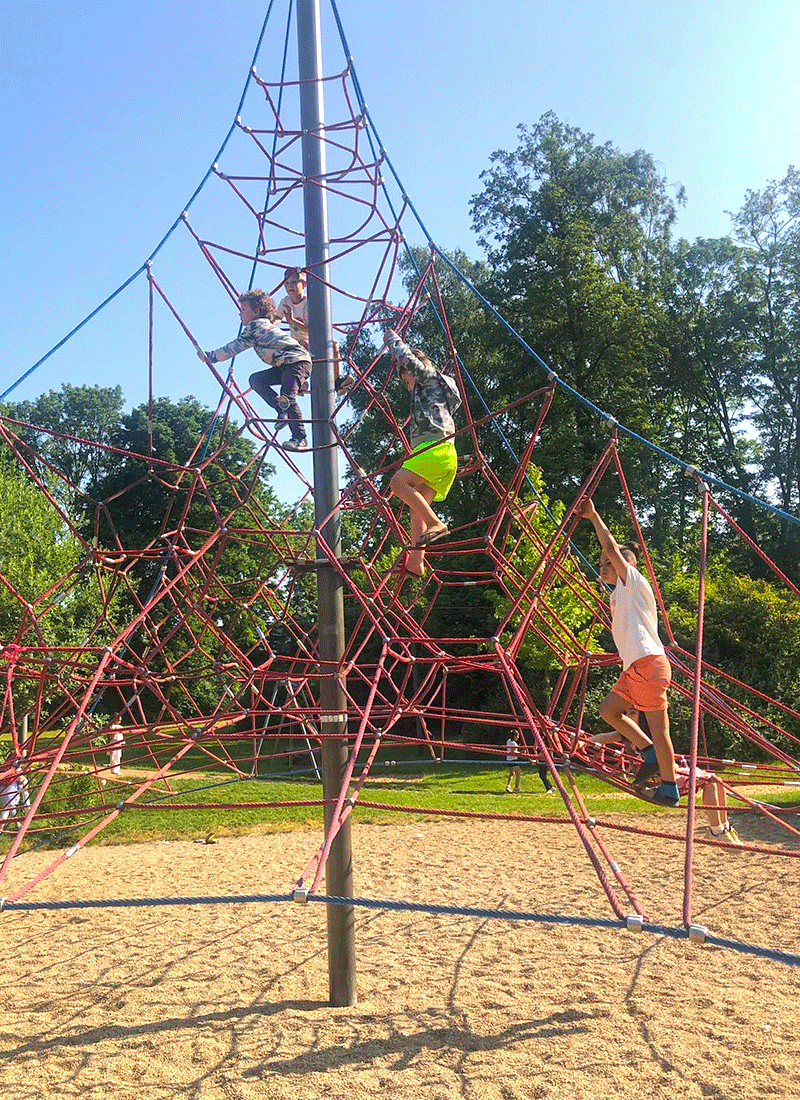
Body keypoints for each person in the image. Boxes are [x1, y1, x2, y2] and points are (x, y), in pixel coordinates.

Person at [579, 497, 679, 805]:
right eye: (601, 565)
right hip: (635, 668)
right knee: (608, 711)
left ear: (628, 565)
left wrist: (594, 516)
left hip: (649, 664)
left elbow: (610, 547)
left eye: (610, 562)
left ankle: (669, 787)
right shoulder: (617, 596)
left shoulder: (634, 583)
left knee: (660, 729)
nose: (604, 566)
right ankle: (647, 751)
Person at [385, 329, 461, 577]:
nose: (407, 384)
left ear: (413, 371)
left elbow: (408, 359)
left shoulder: (429, 377)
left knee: (398, 483)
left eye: (405, 379)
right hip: (445, 454)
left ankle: (435, 523)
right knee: (415, 504)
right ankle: (416, 562)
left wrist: (392, 340)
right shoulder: (431, 391)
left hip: (435, 447)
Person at [590, 722, 742, 844]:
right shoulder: (624, 734)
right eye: (627, 713)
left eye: (633, 713)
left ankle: (723, 828)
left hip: (669, 776)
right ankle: (716, 830)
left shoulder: (652, 735)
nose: (628, 718)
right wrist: (584, 743)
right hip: (658, 783)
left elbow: (666, 758)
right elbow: (603, 737)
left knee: (716, 780)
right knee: (709, 782)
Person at [200, 289, 311, 452]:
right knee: (256, 380)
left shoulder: (255, 326)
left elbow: (235, 347)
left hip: (296, 362)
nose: (240, 314)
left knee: (288, 397)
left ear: (256, 311)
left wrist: (212, 356)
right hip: (285, 364)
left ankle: (300, 438)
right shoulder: (262, 326)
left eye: (243, 310)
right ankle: (281, 410)